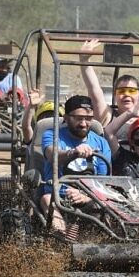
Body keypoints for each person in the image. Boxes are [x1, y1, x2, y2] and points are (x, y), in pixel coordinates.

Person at [41, 95, 111, 236]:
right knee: (47, 199)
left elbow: (105, 181)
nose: (84, 124)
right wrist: (73, 153)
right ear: (66, 118)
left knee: (110, 203)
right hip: (58, 196)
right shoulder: (52, 135)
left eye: (88, 119)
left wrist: (86, 195)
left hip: (91, 197)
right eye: (79, 118)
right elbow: (52, 156)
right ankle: (62, 241)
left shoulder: (101, 142)